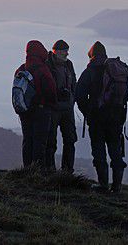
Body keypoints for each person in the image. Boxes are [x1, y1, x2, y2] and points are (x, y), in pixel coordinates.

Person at [75, 41, 127, 193]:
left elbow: (79, 95)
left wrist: (88, 112)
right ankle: (117, 186)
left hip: (97, 118)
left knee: (99, 151)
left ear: (91, 55)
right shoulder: (115, 70)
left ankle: (103, 184)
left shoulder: (90, 71)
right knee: (115, 151)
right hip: (116, 117)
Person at [15, 40, 57, 169]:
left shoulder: (21, 69)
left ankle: (27, 169)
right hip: (41, 110)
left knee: (28, 140)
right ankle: (38, 171)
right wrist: (53, 105)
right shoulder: (43, 70)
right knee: (40, 142)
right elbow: (51, 90)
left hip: (25, 111)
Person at [45, 40, 77, 173]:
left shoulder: (68, 64)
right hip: (53, 108)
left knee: (70, 140)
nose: (67, 53)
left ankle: (67, 170)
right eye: (65, 51)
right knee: (51, 141)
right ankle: (50, 169)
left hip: (67, 109)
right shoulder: (47, 65)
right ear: (56, 51)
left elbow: (74, 83)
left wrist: (71, 98)